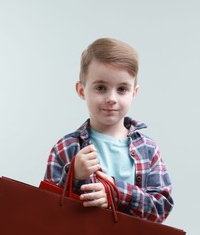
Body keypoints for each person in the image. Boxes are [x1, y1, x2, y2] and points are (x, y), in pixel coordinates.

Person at [44, 38, 173, 223]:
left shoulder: (148, 149)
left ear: (134, 93)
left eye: (122, 89)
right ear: (81, 91)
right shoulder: (67, 148)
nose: (111, 98)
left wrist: (116, 192)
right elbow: (48, 211)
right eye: (101, 88)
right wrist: (74, 177)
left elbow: (161, 209)